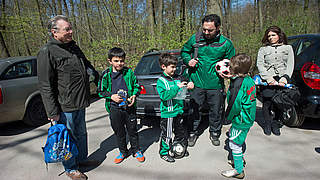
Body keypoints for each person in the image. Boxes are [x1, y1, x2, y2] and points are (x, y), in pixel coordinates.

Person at [37, 15, 99, 180]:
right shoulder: (47, 52)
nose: (71, 32)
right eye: (67, 29)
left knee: (81, 134)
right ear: (54, 32)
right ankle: (70, 168)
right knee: (67, 138)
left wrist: (93, 74)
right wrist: (52, 111)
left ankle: (81, 160)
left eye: (71, 28)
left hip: (80, 102)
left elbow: (86, 64)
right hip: (65, 105)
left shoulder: (74, 47)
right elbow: (45, 85)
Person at [181, 14, 235, 147]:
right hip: (197, 82)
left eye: (209, 30)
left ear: (218, 28)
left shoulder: (226, 43)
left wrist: (228, 73)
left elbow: (232, 63)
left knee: (216, 110)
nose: (206, 32)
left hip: (215, 84)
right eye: (204, 29)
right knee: (194, 110)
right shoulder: (195, 38)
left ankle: (215, 133)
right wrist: (189, 61)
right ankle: (192, 133)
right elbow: (184, 52)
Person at [97, 47, 145, 164]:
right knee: (119, 132)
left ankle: (136, 150)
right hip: (114, 108)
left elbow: (137, 86)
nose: (119, 63)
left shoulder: (129, 72)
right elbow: (100, 91)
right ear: (110, 61)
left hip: (129, 107)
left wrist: (133, 95)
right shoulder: (106, 74)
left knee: (132, 130)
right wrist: (111, 96)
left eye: (122, 61)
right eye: (116, 61)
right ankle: (123, 152)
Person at [220, 54, 256, 179]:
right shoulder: (247, 79)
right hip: (248, 117)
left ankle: (239, 170)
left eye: (230, 66)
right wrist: (231, 78)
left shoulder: (238, 85)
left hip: (241, 119)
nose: (228, 67)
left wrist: (227, 117)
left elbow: (235, 104)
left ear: (235, 68)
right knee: (237, 139)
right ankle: (238, 159)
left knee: (234, 143)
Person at [256, 26, 294, 136]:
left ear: (279, 35)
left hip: (282, 79)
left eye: (273, 35)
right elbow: (260, 64)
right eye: (269, 36)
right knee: (267, 103)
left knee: (279, 103)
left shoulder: (288, 48)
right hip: (267, 80)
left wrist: (285, 78)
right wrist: (268, 78)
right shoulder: (263, 49)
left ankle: (275, 124)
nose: (271, 37)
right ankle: (267, 124)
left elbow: (290, 64)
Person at [156, 53, 194, 163]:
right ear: (164, 66)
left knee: (180, 133)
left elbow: (184, 87)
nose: (175, 69)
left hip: (178, 111)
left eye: (175, 66)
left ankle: (178, 149)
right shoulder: (161, 81)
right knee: (167, 135)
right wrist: (176, 88)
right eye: (172, 67)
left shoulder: (177, 78)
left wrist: (190, 85)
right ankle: (163, 152)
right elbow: (164, 96)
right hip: (168, 113)